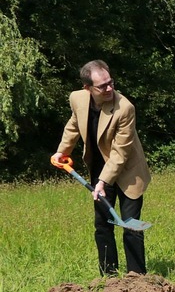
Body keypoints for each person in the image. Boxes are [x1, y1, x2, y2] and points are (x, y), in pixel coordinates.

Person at [52, 60, 152, 276]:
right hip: (99, 167)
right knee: (103, 225)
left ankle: (137, 279)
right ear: (87, 88)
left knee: (131, 225)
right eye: (102, 86)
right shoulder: (77, 99)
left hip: (128, 171)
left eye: (110, 83)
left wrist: (103, 182)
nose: (109, 89)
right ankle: (109, 278)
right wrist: (63, 152)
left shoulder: (124, 108)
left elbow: (120, 153)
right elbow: (74, 124)